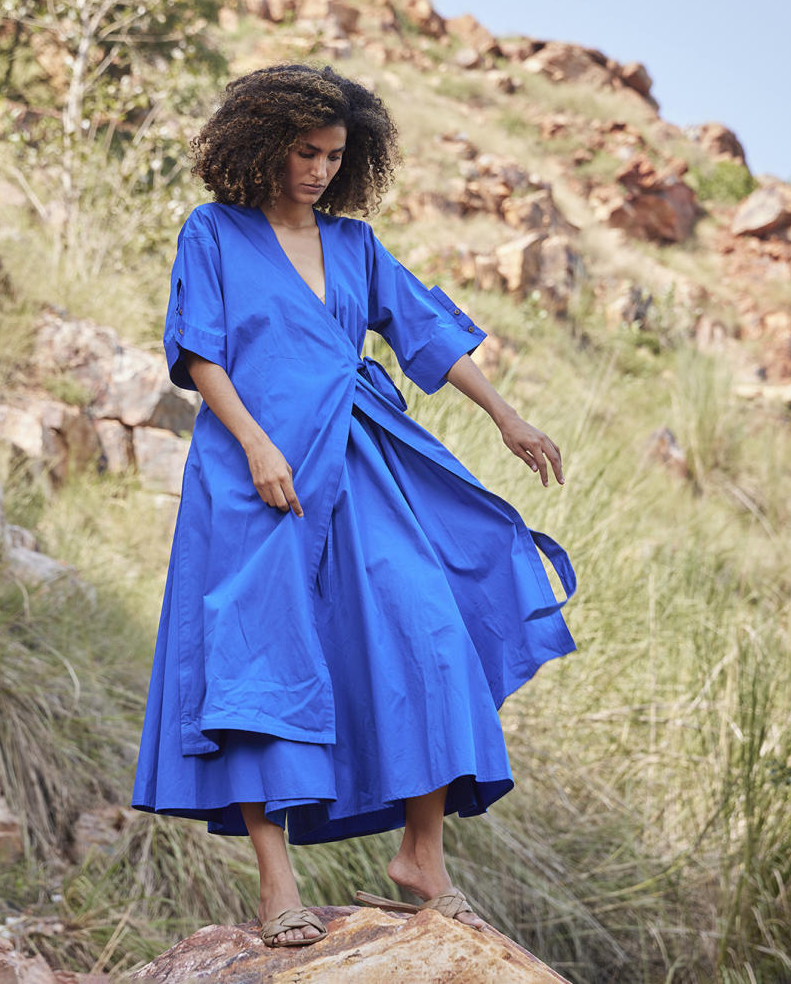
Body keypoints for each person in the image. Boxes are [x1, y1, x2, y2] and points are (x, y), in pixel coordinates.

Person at [132, 63, 576, 948]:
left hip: (356, 455)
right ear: (264, 144)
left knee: (430, 628)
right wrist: (255, 443)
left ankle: (422, 856)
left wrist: (506, 416)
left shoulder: (356, 244)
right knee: (261, 660)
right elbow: (200, 352)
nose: (320, 170)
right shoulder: (213, 232)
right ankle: (277, 885)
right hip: (254, 471)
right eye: (306, 151)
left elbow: (427, 331)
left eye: (336, 156)